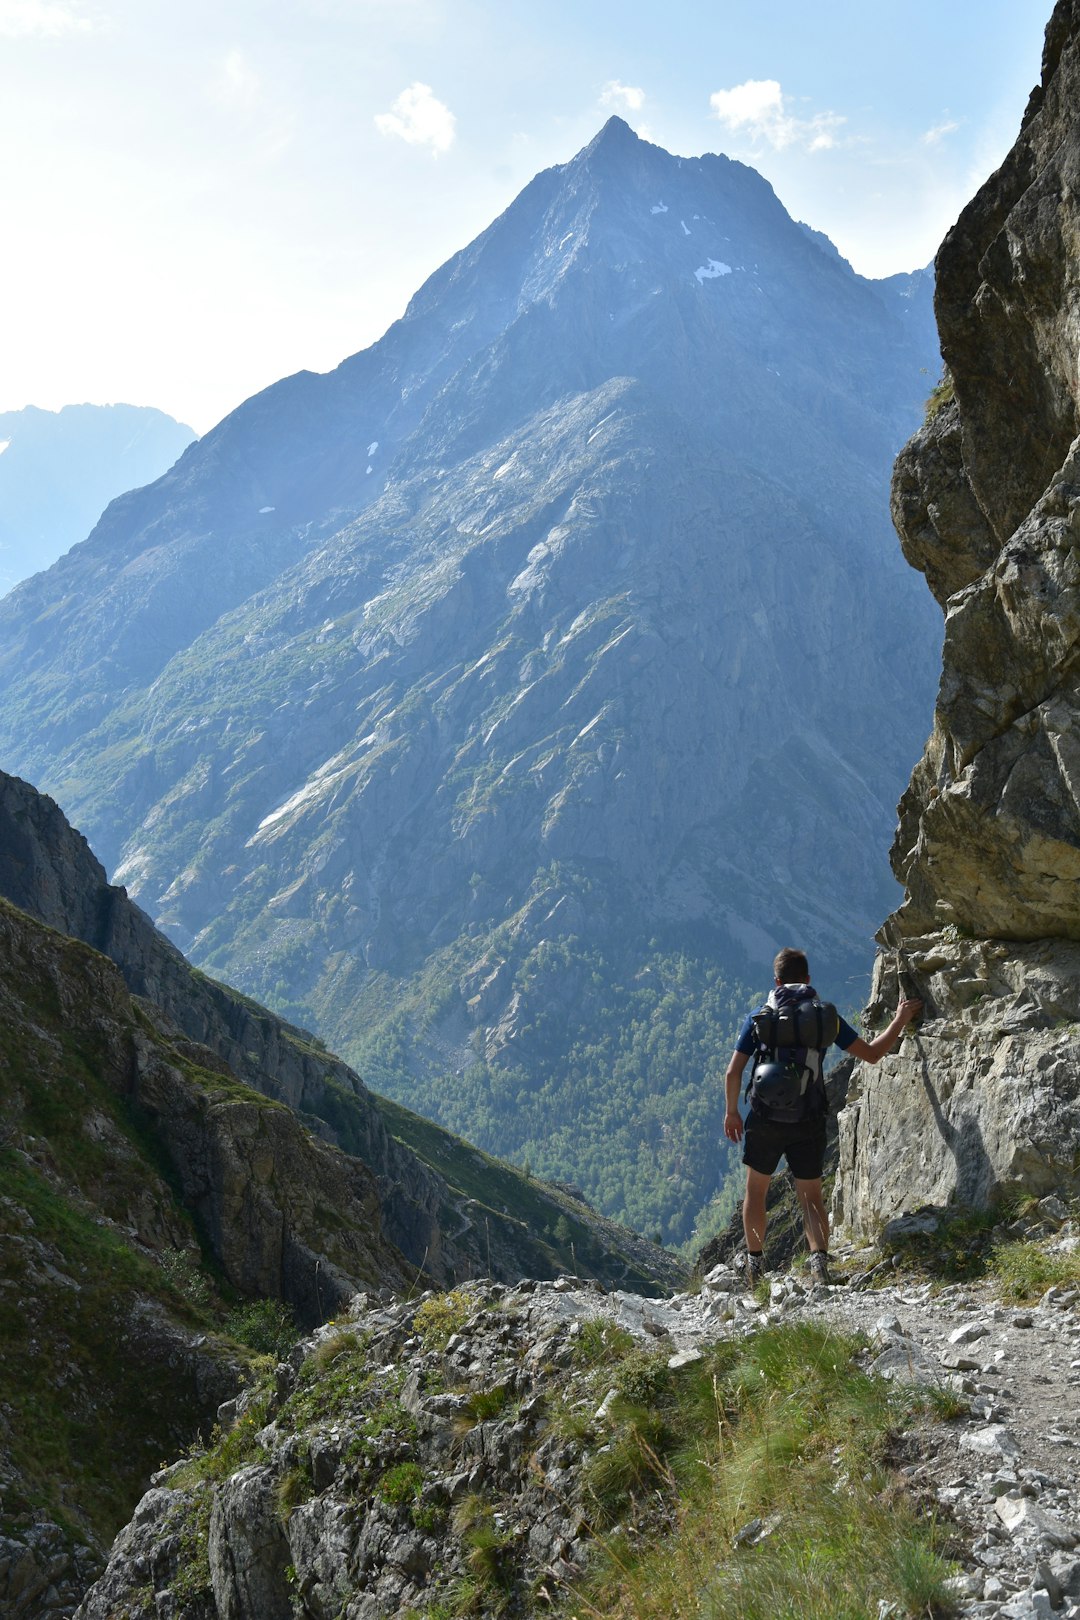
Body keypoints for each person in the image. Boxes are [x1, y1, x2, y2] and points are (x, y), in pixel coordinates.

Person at [723, 947, 922, 1288]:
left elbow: (733, 1073)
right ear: (809, 980)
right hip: (808, 1118)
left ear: (777, 980)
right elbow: (873, 1054)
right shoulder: (824, 1018)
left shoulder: (759, 1017)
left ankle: (754, 1269)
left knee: (756, 1192)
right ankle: (819, 1266)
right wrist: (900, 1019)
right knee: (811, 1197)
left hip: (764, 1118)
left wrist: (732, 1113)